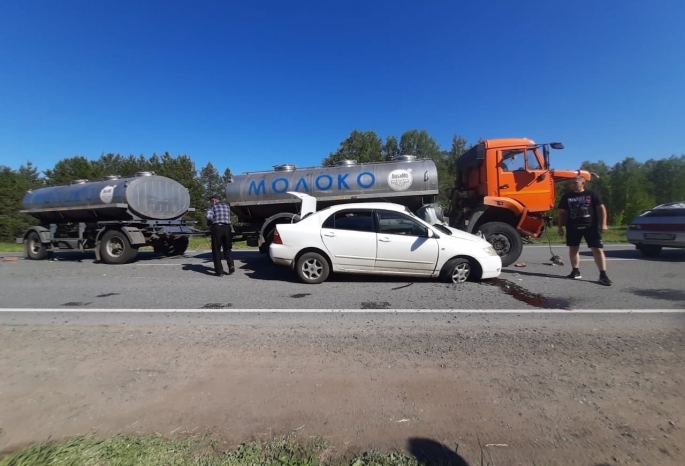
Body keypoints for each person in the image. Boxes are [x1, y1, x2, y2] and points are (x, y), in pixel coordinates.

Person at [557, 176, 612, 286]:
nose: (572, 184)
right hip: (573, 226)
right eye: (571, 183)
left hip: (590, 226)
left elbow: (602, 208)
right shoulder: (567, 196)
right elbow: (561, 213)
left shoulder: (591, 194)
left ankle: (603, 275)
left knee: (597, 249)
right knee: (573, 248)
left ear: (583, 183)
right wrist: (560, 227)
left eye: (575, 182)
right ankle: (575, 271)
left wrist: (604, 223)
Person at [206, 194, 235, 277]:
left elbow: (209, 217)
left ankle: (219, 271)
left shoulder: (212, 207)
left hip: (217, 228)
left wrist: (209, 224)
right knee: (227, 248)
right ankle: (231, 266)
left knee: (216, 250)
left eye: (212, 201)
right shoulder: (227, 206)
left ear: (214, 200)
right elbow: (232, 215)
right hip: (227, 228)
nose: (212, 202)